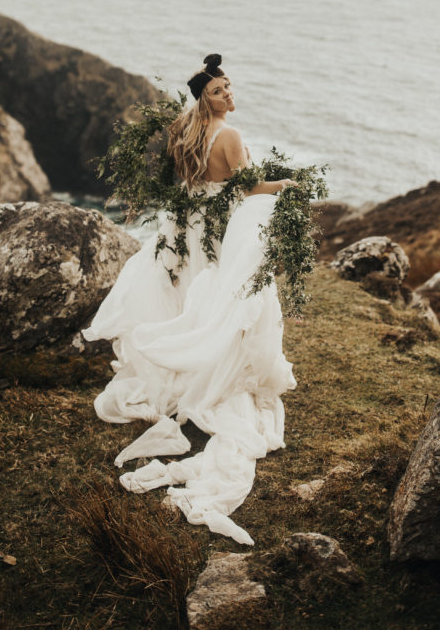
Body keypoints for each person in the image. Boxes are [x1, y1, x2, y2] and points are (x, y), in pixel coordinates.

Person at [82, 54, 297, 545]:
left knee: (184, 291)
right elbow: (245, 191)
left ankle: (177, 369)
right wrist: (284, 186)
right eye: (221, 89)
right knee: (219, 300)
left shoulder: (184, 130)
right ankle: (207, 372)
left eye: (230, 86)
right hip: (216, 228)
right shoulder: (231, 137)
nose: (230, 94)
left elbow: (185, 181)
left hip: (184, 225)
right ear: (207, 97)